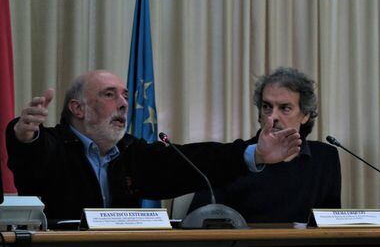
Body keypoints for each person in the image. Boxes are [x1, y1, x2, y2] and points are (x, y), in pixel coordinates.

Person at [5, 70, 302, 221]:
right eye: (110, 95)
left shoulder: (132, 152)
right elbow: (33, 157)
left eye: (124, 95)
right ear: (78, 108)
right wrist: (25, 136)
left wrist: (256, 153)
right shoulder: (54, 146)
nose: (123, 103)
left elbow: (197, 160)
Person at [189, 67, 341, 223]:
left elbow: (332, 225)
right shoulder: (233, 157)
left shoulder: (326, 158)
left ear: (305, 115)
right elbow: (197, 220)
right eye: (267, 107)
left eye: (285, 108)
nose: (272, 116)